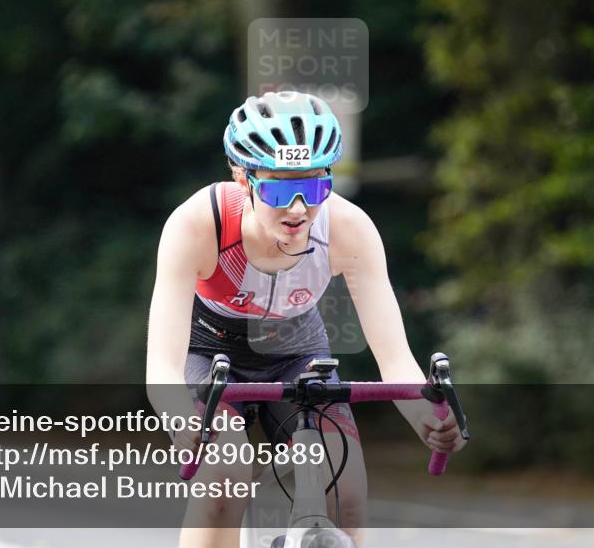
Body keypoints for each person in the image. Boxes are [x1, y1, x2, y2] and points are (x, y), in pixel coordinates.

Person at [146, 91, 466, 548]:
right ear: (243, 177)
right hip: (210, 349)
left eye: (315, 186)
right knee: (225, 473)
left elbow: (396, 360)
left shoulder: (349, 228)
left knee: (347, 488)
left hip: (296, 347)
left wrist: (426, 418)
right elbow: (161, 362)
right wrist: (182, 418)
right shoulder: (198, 224)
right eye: (279, 188)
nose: (299, 208)